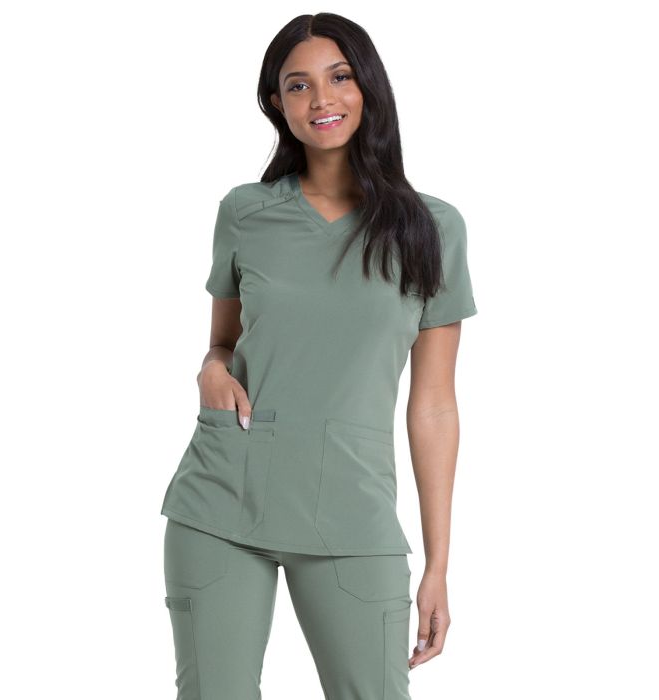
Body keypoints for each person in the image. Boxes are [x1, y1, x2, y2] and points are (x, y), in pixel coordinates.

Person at [160, 12, 478, 700]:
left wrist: (438, 565)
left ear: (369, 88)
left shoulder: (432, 229)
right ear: (277, 103)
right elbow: (223, 342)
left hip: (352, 509)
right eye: (298, 85)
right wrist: (210, 369)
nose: (321, 100)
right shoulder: (245, 212)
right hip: (222, 497)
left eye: (339, 78)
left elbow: (433, 406)